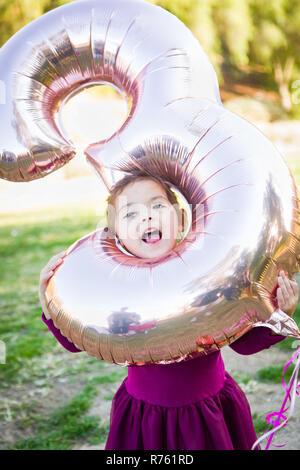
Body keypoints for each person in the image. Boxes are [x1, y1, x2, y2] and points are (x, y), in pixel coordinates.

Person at [39, 173, 299, 450]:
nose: (147, 217)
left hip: (209, 414)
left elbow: (245, 345)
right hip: (145, 419)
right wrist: (49, 302)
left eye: (158, 206)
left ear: (180, 219)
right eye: (130, 213)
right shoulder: (119, 290)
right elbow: (78, 340)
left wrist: (280, 311)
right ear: (117, 239)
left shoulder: (205, 276)